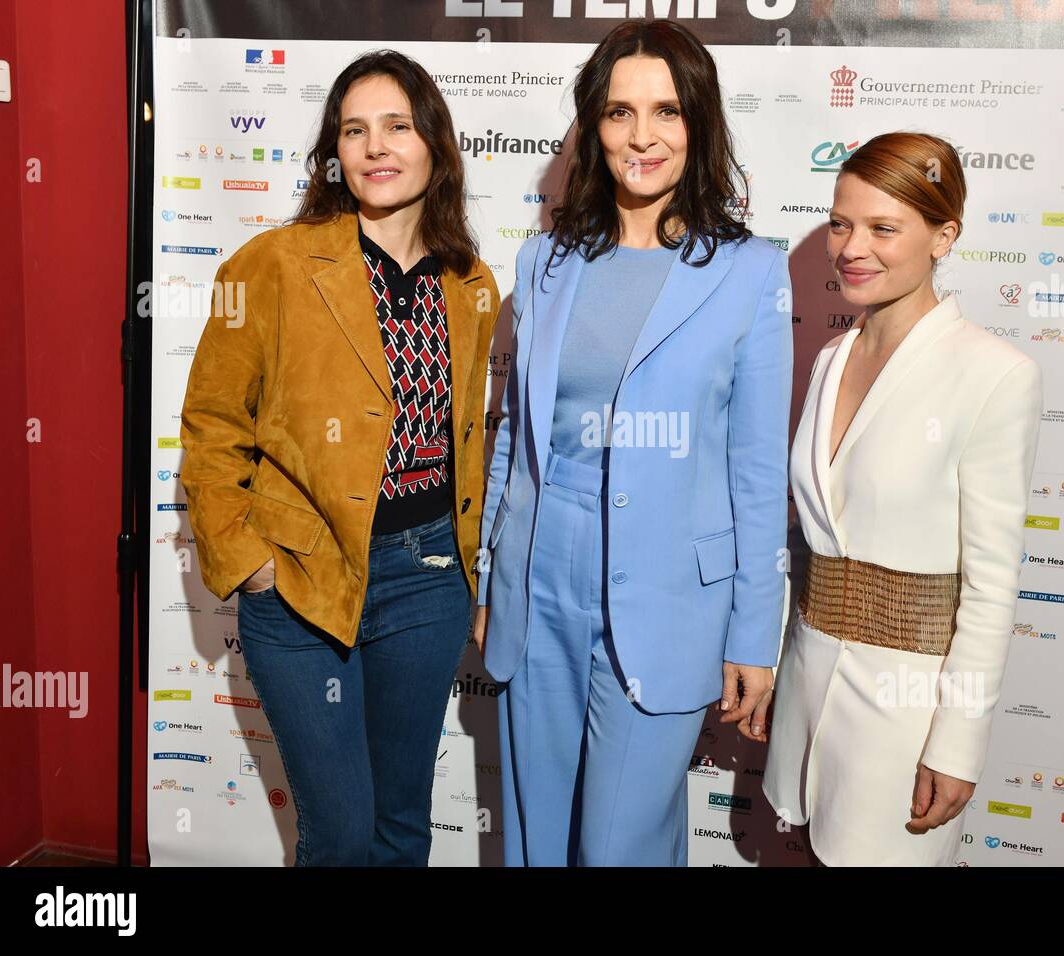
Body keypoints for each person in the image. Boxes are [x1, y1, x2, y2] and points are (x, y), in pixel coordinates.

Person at [471, 19, 792, 867]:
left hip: (666, 596)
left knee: (623, 846)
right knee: (536, 838)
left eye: (666, 112)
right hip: (537, 582)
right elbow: (513, 436)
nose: (641, 137)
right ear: (593, 124)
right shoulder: (544, 261)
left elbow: (758, 472)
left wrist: (753, 634)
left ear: (700, 123)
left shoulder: (753, 272)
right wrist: (485, 570)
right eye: (619, 113)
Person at [179, 50, 500, 866]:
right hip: (299, 581)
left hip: (425, 578)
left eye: (397, 125)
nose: (375, 147)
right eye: (354, 130)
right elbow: (213, 424)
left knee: (401, 823)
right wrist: (248, 561)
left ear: (435, 142)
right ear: (334, 151)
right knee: (341, 833)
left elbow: (472, 439)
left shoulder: (470, 284)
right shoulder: (274, 266)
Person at [762, 131, 1043, 866]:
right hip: (808, 697)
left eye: (884, 228)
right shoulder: (829, 357)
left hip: (907, 721)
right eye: (841, 223)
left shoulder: (993, 373)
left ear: (944, 234)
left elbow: (990, 584)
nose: (853, 247)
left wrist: (959, 742)